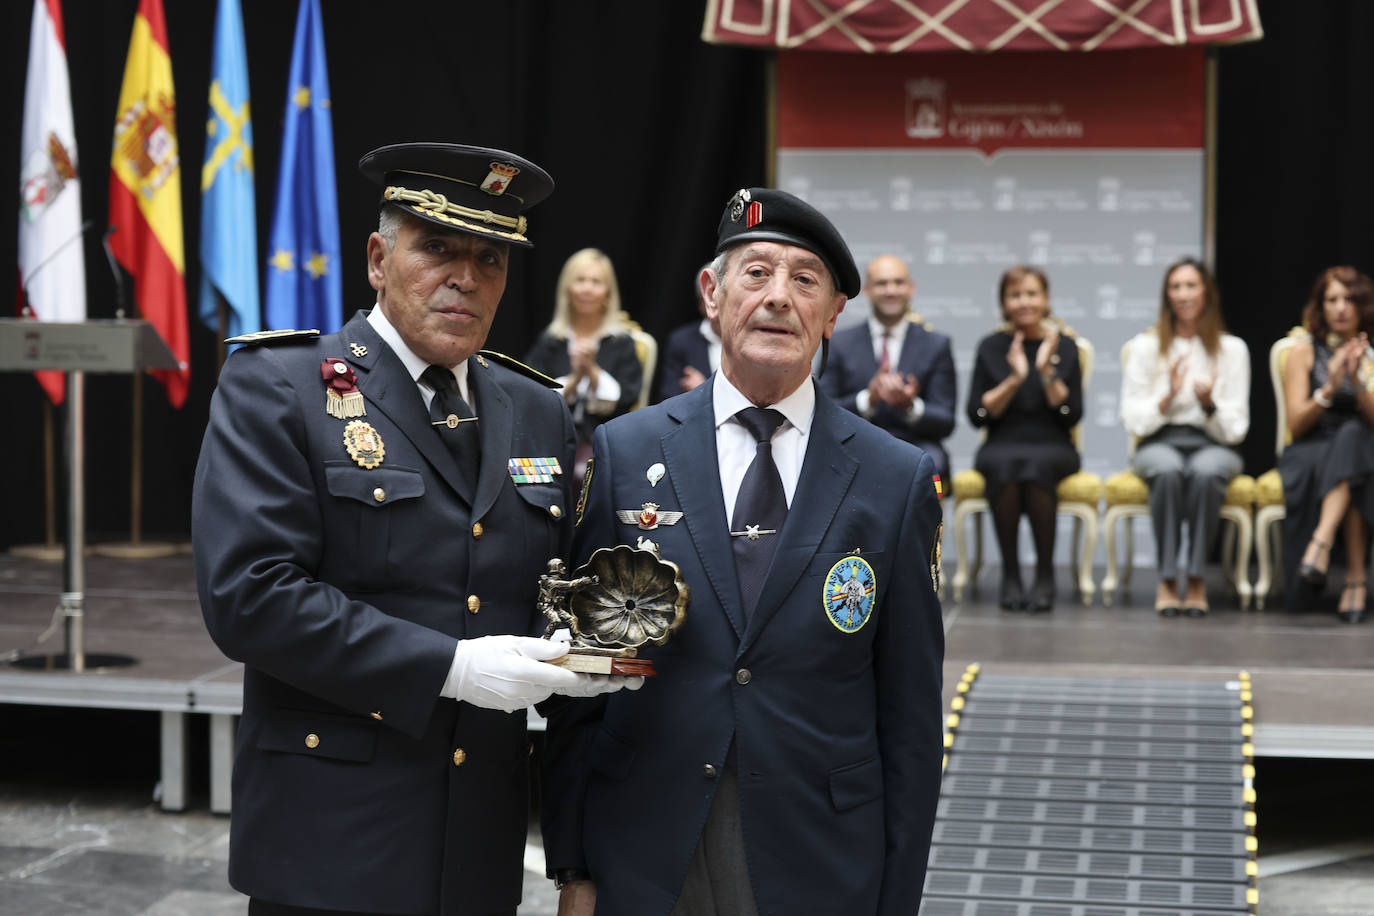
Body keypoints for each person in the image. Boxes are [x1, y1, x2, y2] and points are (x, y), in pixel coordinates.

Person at [192, 142, 638, 916]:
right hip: (331, 843)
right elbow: (249, 598)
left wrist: (621, 628)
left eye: (491, 258)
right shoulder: (279, 386)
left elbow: (547, 591)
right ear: (377, 258)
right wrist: (450, 668)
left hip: (478, 846)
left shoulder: (533, 407)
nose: (466, 276)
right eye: (437, 248)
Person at [541, 188, 946, 916]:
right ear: (712, 293)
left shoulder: (895, 478)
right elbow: (583, 680)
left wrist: (898, 899)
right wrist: (572, 865)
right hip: (646, 838)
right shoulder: (628, 450)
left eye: (805, 280)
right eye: (756, 272)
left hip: (818, 852)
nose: (779, 298)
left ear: (833, 314)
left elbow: (911, 722)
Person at [1120, 258, 1249, 618]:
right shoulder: (1146, 347)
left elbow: (1236, 429)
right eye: (1175, 287)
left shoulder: (1231, 349)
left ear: (1206, 292)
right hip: (1159, 441)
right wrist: (1166, 398)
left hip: (1213, 443)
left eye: (1190, 286)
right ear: (1166, 295)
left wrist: (1208, 405)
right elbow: (1132, 419)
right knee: (1168, 469)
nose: (1183, 294)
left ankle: (1195, 577)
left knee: (1208, 472)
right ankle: (1166, 578)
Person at [967, 265, 1082, 612]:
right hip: (1001, 442)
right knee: (1006, 465)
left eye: (1032, 294)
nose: (1024, 302)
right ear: (1004, 303)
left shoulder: (1066, 346)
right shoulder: (990, 346)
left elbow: (1071, 413)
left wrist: (1046, 371)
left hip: (1054, 445)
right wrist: (1015, 378)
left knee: (1034, 466)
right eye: (1015, 295)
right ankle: (1011, 575)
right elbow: (977, 414)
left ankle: (1045, 575)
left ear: (1046, 300)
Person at [1279, 265, 1374, 622]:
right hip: (1311, 448)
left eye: (1349, 299)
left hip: (1365, 444)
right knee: (1351, 463)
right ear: (1320, 307)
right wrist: (1331, 387)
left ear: (1363, 304)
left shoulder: (1372, 354)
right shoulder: (1302, 351)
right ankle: (1355, 580)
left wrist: (1356, 380)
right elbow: (1296, 424)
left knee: (1353, 439)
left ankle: (1319, 543)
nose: (1340, 307)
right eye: (1331, 299)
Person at [820, 253, 956, 479]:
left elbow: (945, 421)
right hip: (853, 443)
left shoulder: (937, 344)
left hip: (917, 444)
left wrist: (910, 406)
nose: (891, 290)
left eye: (898, 282)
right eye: (882, 283)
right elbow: (823, 411)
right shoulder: (838, 343)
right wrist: (868, 399)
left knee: (933, 464)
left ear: (911, 288)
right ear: (867, 291)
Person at [525, 248, 643, 461]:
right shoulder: (552, 340)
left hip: (608, 445)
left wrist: (591, 370)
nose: (587, 289)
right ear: (567, 288)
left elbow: (628, 398)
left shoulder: (621, 342)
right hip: (551, 440)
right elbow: (532, 392)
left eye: (596, 282)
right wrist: (575, 378)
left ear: (608, 292)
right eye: (580, 280)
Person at [654, 263, 721, 403]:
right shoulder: (682, 340)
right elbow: (668, 397)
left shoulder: (752, 340)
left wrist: (704, 390)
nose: (717, 305)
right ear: (701, 303)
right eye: (710, 298)